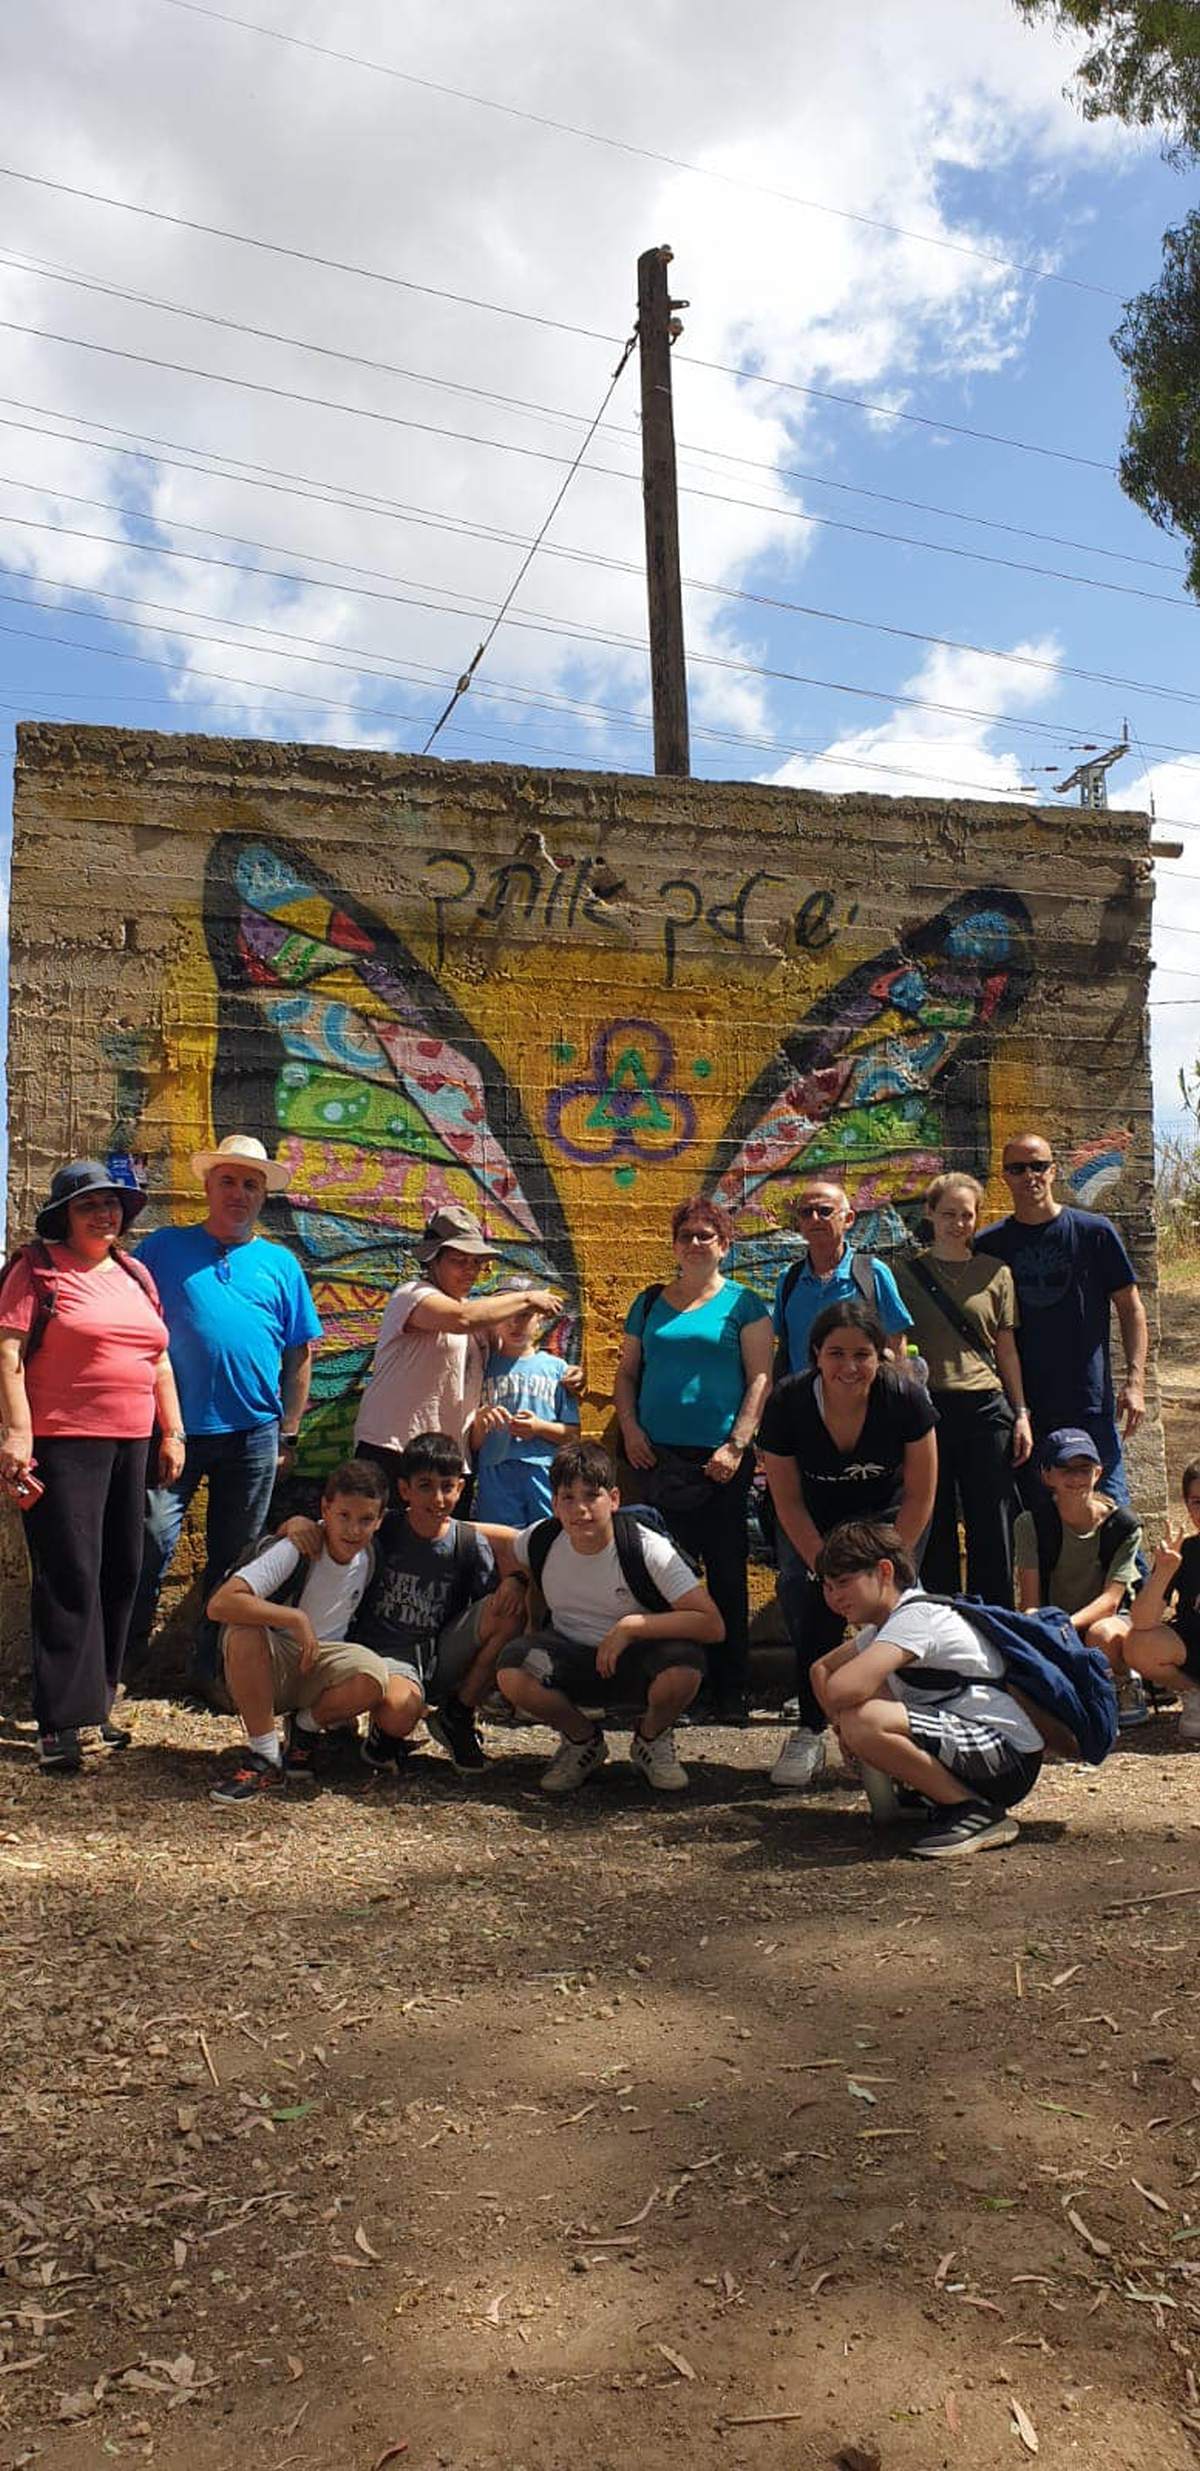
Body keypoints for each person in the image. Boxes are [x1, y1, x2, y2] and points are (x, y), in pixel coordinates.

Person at [0, 1160, 185, 1773]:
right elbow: (9, 1354)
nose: (105, 1214)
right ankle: (58, 1721)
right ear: (64, 1216)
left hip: (131, 1442)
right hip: (64, 1442)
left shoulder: (134, 1273)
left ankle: (97, 1704)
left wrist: (172, 1431)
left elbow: (158, 1359)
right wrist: (19, 1433)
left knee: (120, 1570)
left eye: (112, 1205)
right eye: (90, 1206)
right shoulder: (37, 1271)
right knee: (69, 1573)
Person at [129, 1133, 323, 1702]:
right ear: (208, 1186)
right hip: (175, 1434)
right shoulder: (162, 1249)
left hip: (254, 1436)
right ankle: (121, 1666)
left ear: (263, 1195)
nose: (239, 1193)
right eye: (229, 1181)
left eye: (251, 1184)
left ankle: (214, 1672)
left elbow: (300, 1354)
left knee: (236, 1560)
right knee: (147, 1545)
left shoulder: (280, 1265)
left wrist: (289, 1431)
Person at [758, 1297, 938, 1790]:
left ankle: (907, 1725)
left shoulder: (905, 1397)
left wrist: (895, 1564)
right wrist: (823, 1565)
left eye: (862, 1354)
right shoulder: (787, 1403)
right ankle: (810, 1727)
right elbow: (787, 1499)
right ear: (816, 1354)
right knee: (805, 1590)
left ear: (880, 1356)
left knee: (899, 1608)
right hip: (815, 1518)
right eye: (836, 1354)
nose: (849, 1366)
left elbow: (922, 1491)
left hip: (888, 1519)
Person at [614, 1195, 773, 1723]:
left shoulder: (744, 1304)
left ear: (724, 1245)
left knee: (727, 1575)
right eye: (687, 1234)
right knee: (665, 1578)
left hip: (720, 1463)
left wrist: (737, 1445)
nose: (696, 1242)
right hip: (654, 1459)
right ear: (675, 1244)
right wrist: (632, 1431)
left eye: (707, 1234)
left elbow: (760, 1378)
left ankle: (732, 1690)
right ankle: (677, 1685)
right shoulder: (649, 1302)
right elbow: (626, 1375)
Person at [496, 1440, 724, 1795]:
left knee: (684, 1668)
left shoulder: (646, 1548)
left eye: (592, 1496)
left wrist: (631, 1627)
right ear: (554, 1503)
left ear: (614, 1499)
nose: (580, 1510)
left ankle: (651, 1737)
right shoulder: (542, 1537)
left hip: (637, 1659)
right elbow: (509, 1550)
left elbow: (711, 1623)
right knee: (513, 1670)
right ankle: (582, 1741)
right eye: (568, 1498)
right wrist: (516, 1579)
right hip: (569, 1654)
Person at [809, 1520, 1044, 1859]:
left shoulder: (915, 1618)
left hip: (1007, 1754)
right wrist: (841, 1725)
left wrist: (847, 1726)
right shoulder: (887, 1626)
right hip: (982, 1749)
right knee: (859, 1716)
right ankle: (943, 1798)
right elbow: (821, 1668)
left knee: (864, 1719)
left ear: (884, 1571)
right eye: (828, 1586)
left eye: (844, 1582)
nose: (834, 1597)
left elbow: (843, 1688)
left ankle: (974, 1811)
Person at [205, 1457, 408, 1804]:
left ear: (379, 1520)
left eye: (365, 1520)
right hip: (274, 1663)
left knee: (374, 1675)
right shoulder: (298, 1548)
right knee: (243, 1630)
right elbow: (220, 1604)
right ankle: (265, 1756)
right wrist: (294, 1619)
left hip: (323, 1668)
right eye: (343, 1516)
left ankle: (306, 1728)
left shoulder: (371, 1554)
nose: (353, 1530)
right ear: (325, 1508)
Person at [975, 1131, 1148, 1510]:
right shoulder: (989, 1246)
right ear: (1005, 1176)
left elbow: (1131, 1306)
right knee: (1038, 1523)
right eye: (1018, 1168)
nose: (1029, 1176)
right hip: (1023, 1410)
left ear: (1053, 1171)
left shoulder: (1093, 1232)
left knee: (1111, 1515)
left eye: (1038, 1166)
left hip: (1088, 1402)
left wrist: (1135, 1382)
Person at [353, 1204, 568, 1500]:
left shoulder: (478, 1317)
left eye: (476, 1263)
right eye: (459, 1260)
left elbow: (514, 1351)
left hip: (450, 1461)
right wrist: (528, 1297)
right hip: (394, 1449)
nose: (470, 1270)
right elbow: (460, 1319)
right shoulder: (413, 1295)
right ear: (433, 1258)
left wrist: (568, 1375)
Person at [353, 1430, 529, 1775]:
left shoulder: (466, 1543)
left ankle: (457, 1714)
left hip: (437, 1653)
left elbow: (518, 1541)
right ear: (404, 1490)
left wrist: (517, 1580)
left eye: (447, 1486)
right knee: (401, 1711)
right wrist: (297, 1524)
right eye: (425, 1486)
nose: (438, 1498)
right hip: (386, 1656)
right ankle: (384, 1730)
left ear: (461, 1488)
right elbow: (327, 1529)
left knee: (508, 1610)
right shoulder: (382, 1529)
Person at [894, 1172, 1031, 1601]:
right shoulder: (903, 1275)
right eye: (948, 1213)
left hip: (986, 1408)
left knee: (992, 1523)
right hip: (929, 1410)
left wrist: (1021, 1413)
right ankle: (943, 1618)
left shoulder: (996, 1274)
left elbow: (1006, 1350)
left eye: (966, 1215)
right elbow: (893, 1348)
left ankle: (995, 1621)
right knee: (933, 1523)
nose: (957, 1223)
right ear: (930, 1214)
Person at [1014, 1429, 1145, 1724]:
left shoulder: (1122, 1525)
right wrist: (1041, 1626)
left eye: (1084, 1469)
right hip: (1056, 1619)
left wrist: (1064, 1626)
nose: (1076, 1478)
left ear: (1098, 1473)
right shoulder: (1030, 1524)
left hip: (1106, 1622)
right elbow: (1030, 1600)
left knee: (1102, 1634)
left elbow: (1112, 1600)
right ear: (1048, 1476)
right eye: (1066, 1469)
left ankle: (1123, 1681)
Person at [771, 1179, 913, 1378]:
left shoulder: (872, 1274)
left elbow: (896, 1343)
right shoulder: (789, 1280)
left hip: (860, 1401)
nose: (814, 1218)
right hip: (803, 1403)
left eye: (825, 1211)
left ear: (848, 1219)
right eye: (806, 1213)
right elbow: (784, 1343)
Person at [470, 1297, 580, 1524]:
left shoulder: (558, 1369)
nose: (514, 1324)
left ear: (540, 1319)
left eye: (524, 1316)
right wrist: (481, 1422)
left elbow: (573, 1435)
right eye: (507, 1316)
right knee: (503, 1544)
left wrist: (539, 1428)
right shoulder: (483, 1367)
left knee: (547, 1538)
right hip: (495, 1471)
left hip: (544, 1470)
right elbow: (472, 1444)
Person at [1125, 1459, 1200, 1743]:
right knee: (1138, 1644)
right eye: (1197, 1502)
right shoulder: (1185, 1551)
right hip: (1193, 1647)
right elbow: (1142, 1621)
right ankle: (1194, 1694)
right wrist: (1165, 1571)